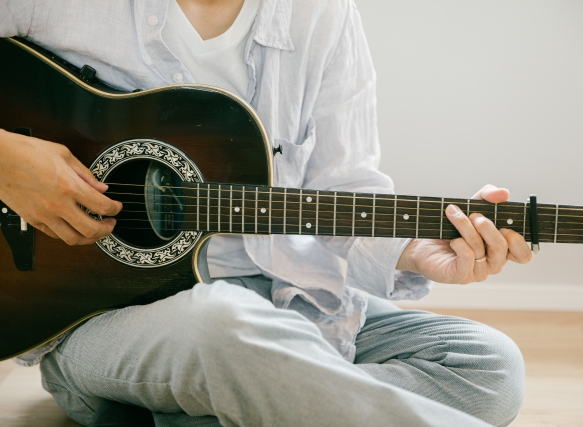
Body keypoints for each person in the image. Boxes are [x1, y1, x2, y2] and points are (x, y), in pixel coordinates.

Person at [0, 0, 532, 426]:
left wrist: (417, 251)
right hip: (106, 317)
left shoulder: (322, 12)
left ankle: (229, 401)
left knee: (490, 367)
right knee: (224, 323)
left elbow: (343, 189)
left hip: (287, 297)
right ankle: (264, 389)